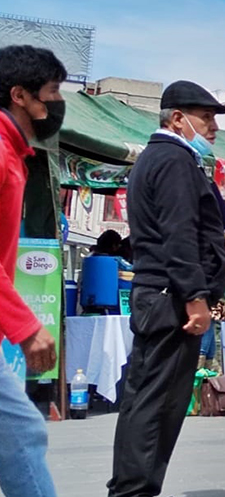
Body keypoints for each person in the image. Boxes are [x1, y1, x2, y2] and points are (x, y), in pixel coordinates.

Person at [109, 80, 225, 497]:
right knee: (157, 402)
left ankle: (134, 486)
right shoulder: (174, 160)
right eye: (205, 117)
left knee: (151, 397)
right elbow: (179, 233)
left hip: (163, 292)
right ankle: (134, 489)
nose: (212, 126)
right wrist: (195, 297)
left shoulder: (161, 158)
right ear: (177, 118)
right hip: (171, 296)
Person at [0, 45, 63, 497]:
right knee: (22, 434)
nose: (56, 104)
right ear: (20, 95)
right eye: (52, 92)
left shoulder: (15, 154)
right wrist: (25, 326)